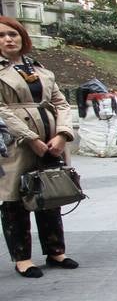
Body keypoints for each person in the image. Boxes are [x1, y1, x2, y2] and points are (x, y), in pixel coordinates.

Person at [0, 17, 78, 279]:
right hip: (16, 144)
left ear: (22, 37)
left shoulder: (38, 69)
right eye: (1, 35)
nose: (8, 39)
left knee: (51, 192)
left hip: (51, 139)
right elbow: (1, 110)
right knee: (15, 198)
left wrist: (63, 134)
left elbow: (62, 103)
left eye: (13, 34)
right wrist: (30, 137)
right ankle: (22, 258)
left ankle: (56, 251)